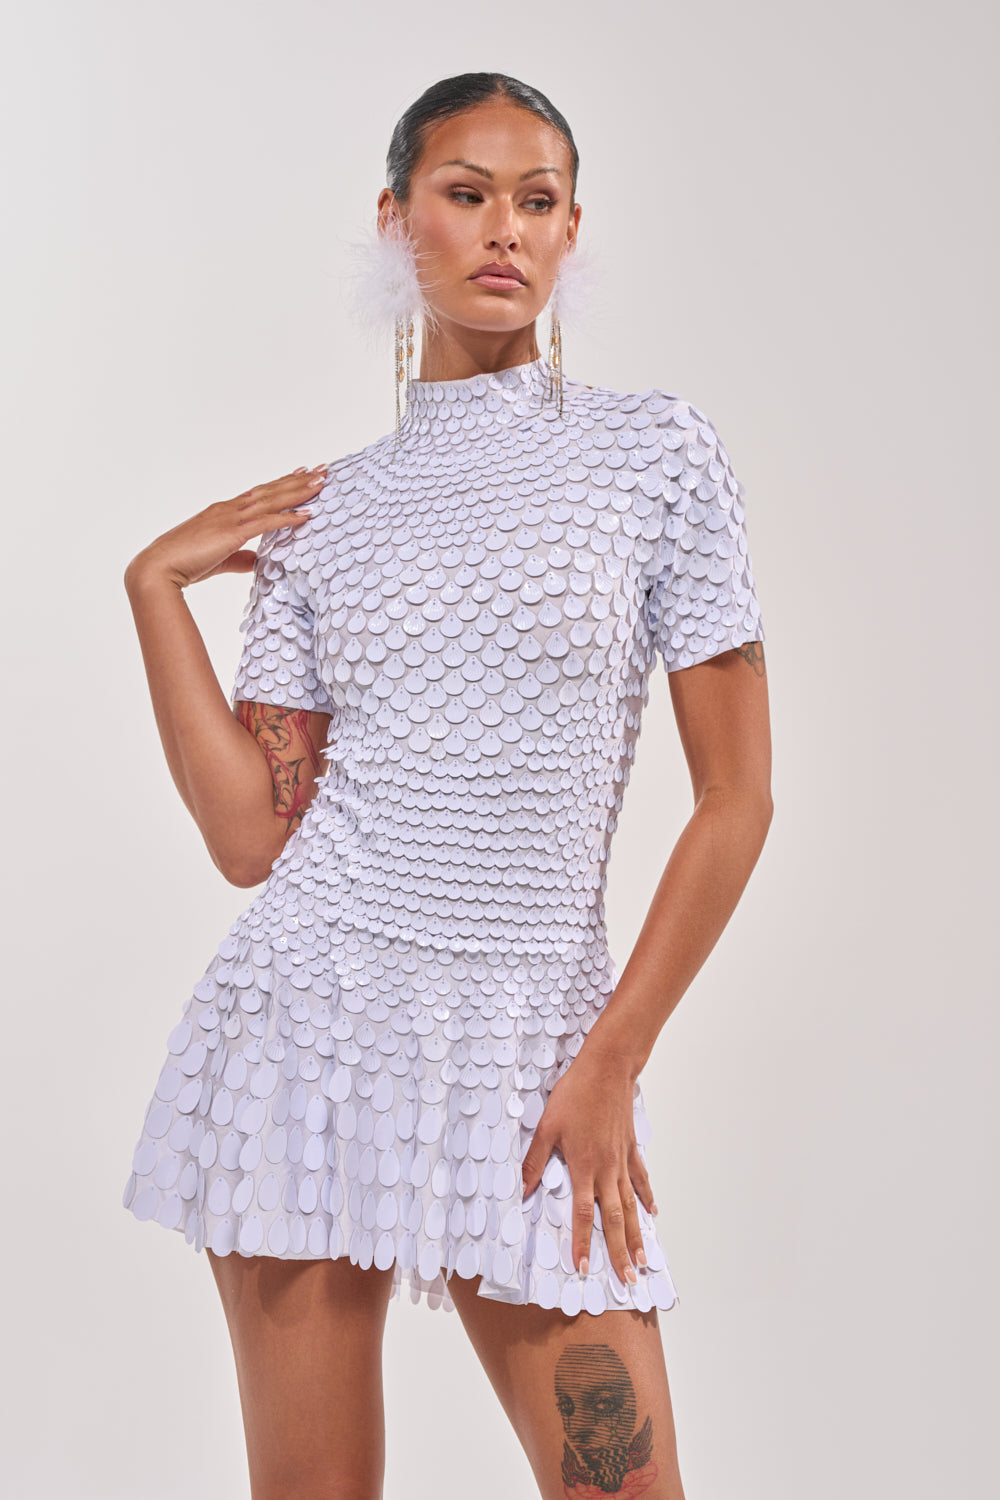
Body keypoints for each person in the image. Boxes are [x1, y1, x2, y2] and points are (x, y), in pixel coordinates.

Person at [121, 70, 772, 1500]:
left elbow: (739, 802)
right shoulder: (324, 515)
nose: (503, 231)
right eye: (465, 194)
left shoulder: (655, 454)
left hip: (539, 1047)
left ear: (573, 230)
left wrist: (609, 1061)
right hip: (306, 1036)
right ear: (395, 216)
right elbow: (250, 838)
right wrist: (155, 587)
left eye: (536, 202)